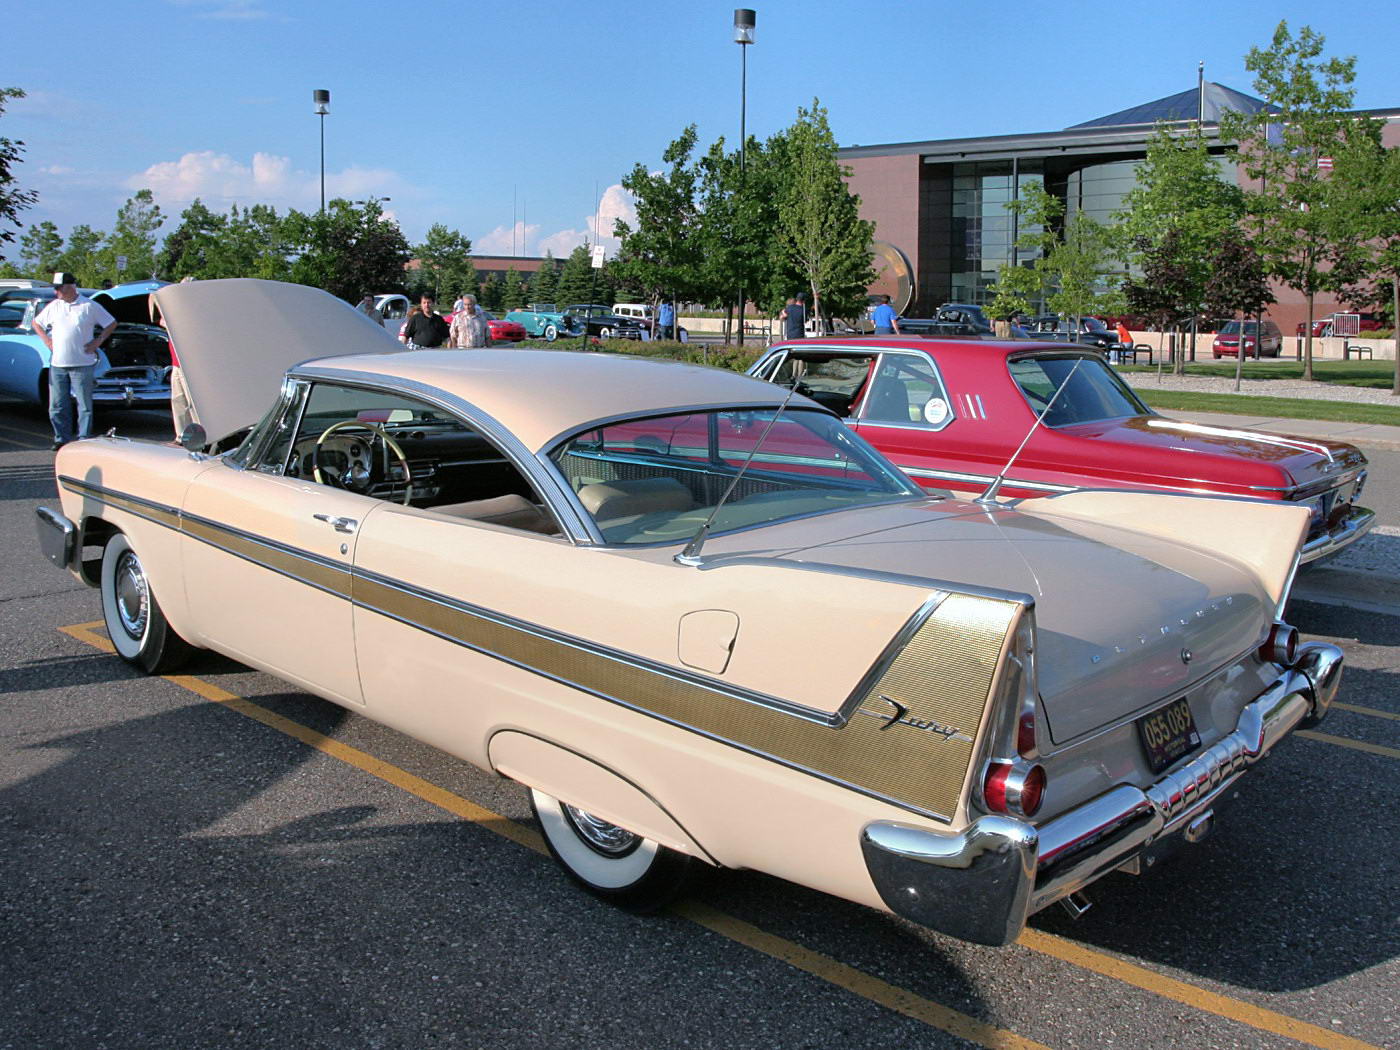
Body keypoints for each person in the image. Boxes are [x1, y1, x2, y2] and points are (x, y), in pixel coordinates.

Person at [33, 272, 116, 449]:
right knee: (57, 404)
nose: (57, 292)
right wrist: (47, 341)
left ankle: (83, 436)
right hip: (58, 364)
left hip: (82, 363)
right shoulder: (55, 306)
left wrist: (97, 341)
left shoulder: (88, 305)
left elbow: (110, 323)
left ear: (70, 287)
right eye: (55, 289)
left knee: (84, 404)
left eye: (59, 288)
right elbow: (36, 323)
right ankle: (61, 437)